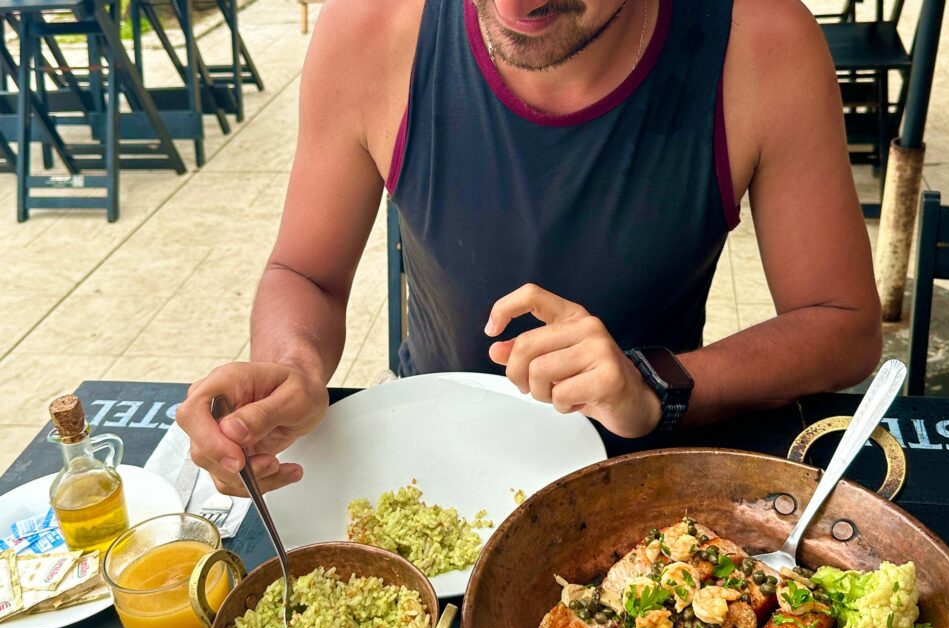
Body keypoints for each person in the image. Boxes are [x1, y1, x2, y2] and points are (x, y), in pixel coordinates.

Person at [177, 0, 882, 496]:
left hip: (648, 478)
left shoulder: (757, 41)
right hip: (431, 470)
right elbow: (305, 271)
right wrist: (291, 369)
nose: (512, 4)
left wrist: (653, 387)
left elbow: (842, 325)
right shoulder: (371, 25)